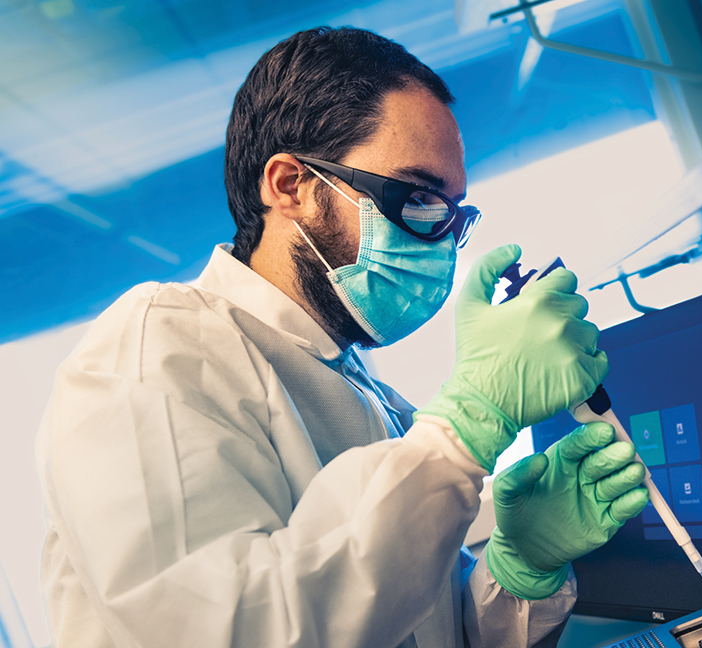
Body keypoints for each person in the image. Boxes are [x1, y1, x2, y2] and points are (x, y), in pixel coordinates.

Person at [36, 26, 649, 648]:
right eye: (416, 197)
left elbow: (423, 631)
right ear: (290, 186)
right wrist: (469, 423)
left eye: (450, 213)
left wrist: (520, 569)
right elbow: (233, 629)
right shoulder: (154, 353)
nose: (439, 242)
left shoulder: (366, 396)